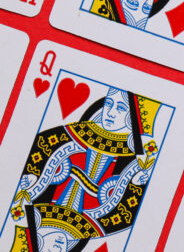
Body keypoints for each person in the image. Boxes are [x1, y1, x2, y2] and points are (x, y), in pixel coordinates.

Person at [8, 87, 162, 252]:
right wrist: (137, 182)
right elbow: (129, 210)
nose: (110, 113)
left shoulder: (59, 139)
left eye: (120, 108)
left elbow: (36, 152)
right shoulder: (106, 223)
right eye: (108, 104)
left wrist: (31, 176)